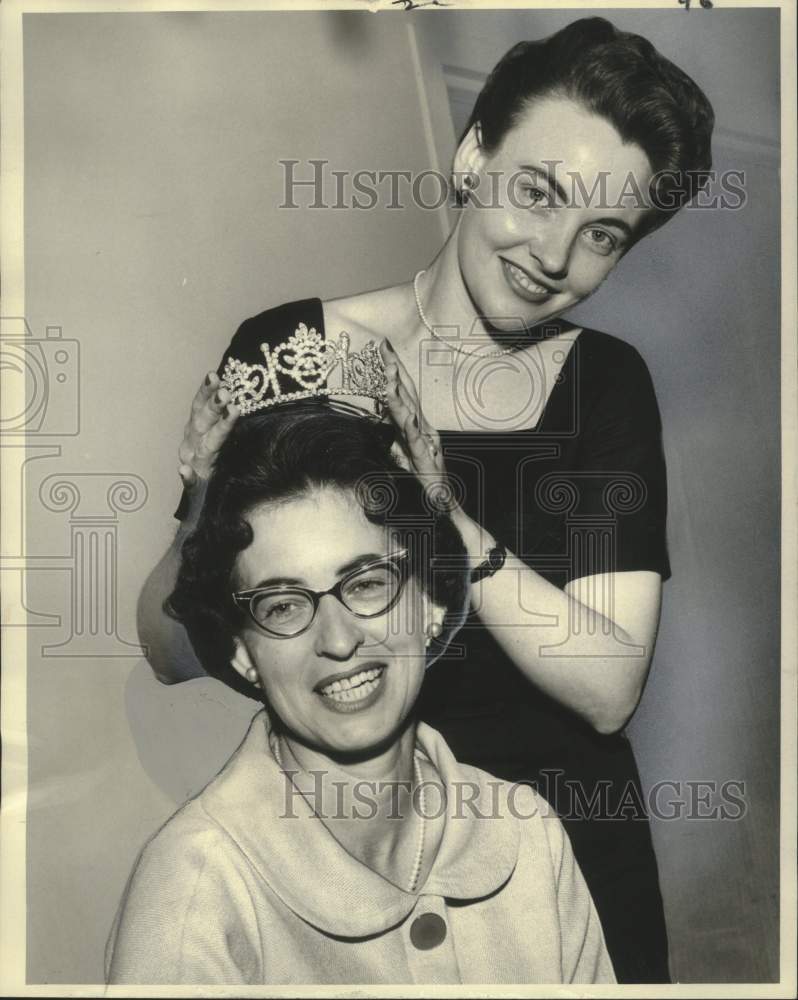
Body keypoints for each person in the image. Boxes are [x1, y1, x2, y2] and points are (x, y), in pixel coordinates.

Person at [137, 16, 715, 983]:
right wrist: (198, 507)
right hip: (343, 864)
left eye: (602, 235)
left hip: (565, 856)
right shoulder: (298, 352)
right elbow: (167, 649)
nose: (553, 255)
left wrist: (439, 505)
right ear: (473, 153)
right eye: (538, 192)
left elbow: (609, 688)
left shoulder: (607, 385)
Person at [108, 405, 615, 985]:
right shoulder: (195, 885)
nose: (340, 639)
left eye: (368, 583)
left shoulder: (528, 834)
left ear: (431, 602)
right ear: (243, 652)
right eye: (284, 605)